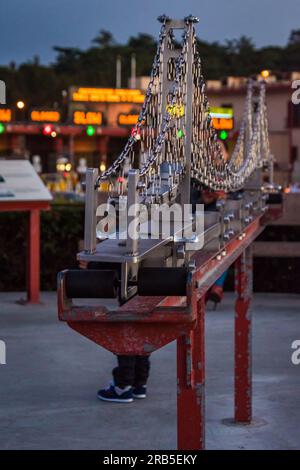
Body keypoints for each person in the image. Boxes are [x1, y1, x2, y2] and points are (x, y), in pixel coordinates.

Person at [79, 259, 150, 403]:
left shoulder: (130, 238)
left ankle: (122, 387)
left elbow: (121, 260)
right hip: (151, 290)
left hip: (131, 292)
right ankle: (139, 384)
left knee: (127, 338)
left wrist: (92, 264)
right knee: (141, 335)